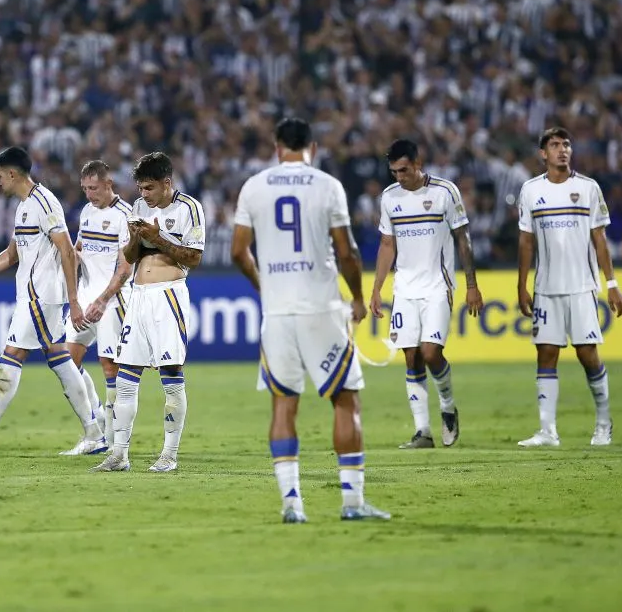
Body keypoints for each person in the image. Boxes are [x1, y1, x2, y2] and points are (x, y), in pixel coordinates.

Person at [230, 117, 390, 523]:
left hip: (278, 311)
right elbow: (348, 251)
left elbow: (238, 252)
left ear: (276, 145)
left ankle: (292, 505)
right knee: (345, 399)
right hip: (321, 307)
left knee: (284, 403)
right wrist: (356, 296)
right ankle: (352, 503)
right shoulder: (327, 185)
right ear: (313, 147)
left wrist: (264, 285)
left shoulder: (255, 186)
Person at [0, 147, 105, 456]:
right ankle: (94, 432)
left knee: (12, 357)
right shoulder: (24, 206)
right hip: (35, 296)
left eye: (0, 176)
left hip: (41, 297)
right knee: (60, 359)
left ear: (13, 174)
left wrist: (73, 299)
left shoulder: (44, 203)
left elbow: (67, 250)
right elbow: (13, 254)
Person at [91, 152, 205, 473]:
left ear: (167, 183)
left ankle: (169, 455)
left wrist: (159, 238)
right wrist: (136, 240)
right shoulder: (140, 208)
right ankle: (118, 454)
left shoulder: (189, 208)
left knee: (170, 376)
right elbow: (130, 255)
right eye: (140, 188)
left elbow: (194, 258)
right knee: (126, 376)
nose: (143, 194)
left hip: (168, 297)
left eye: (149, 188)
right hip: (138, 297)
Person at [516, 127, 622, 447]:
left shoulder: (589, 188)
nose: (563, 150)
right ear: (543, 153)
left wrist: (612, 284)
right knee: (546, 353)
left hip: (581, 286)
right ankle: (547, 431)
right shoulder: (530, 190)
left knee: (587, 354)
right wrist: (522, 285)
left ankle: (604, 423)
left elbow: (600, 240)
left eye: (566, 144)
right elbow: (526, 241)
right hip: (546, 288)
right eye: (555, 145)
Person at [369, 139, 484, 449]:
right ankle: (423, 432)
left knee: (431, 352)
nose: (399, 177)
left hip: (437, 284)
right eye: (393, 171)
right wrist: (377, 289)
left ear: (417, 164)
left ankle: (447, 406)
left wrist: (472, 285)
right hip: (404, 287)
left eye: (404, 170)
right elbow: (387, 245)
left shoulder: (445, 192)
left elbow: (463, 239)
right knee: (411, 357)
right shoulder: (390, 198)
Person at [60, 160, 133, 454]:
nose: (90, 194)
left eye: (94, 188)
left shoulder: (125, 216)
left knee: (109, 365)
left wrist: (103, 301)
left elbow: (125, 268)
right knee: (67, 364)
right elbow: (80, 250)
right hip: (87, 297)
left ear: (108, 183)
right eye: (85, 189)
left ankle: (115, 441)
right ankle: (96, 424)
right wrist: (68, 256)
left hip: (113, 299)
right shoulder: (87, 212)